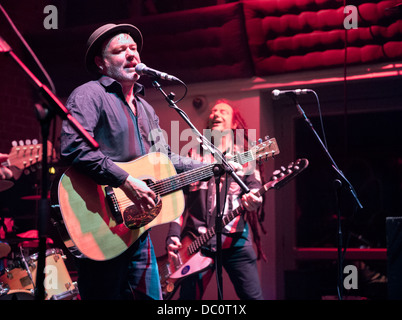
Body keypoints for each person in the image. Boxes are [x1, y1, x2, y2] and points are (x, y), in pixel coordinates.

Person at [59, 23, 212, 300]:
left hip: (138, 231)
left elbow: (163, 158)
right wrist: (125, 180)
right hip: (101, 224)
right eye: (120, 50)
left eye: (134, 49)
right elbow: (73, 148)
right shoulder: (89, 94)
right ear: (101, 63)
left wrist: (212, 165)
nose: (131, 54)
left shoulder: (146, 108)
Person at [166, 99, 265, 300]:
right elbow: (178, 198)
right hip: (194, 242)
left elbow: (255, 188)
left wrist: (254, 201)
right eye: (213, 111)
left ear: (235, 124)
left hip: (234, 240)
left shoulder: (245, 156)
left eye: (223, 111)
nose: (216, 114)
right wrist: (173, 233)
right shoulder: (192, 155)